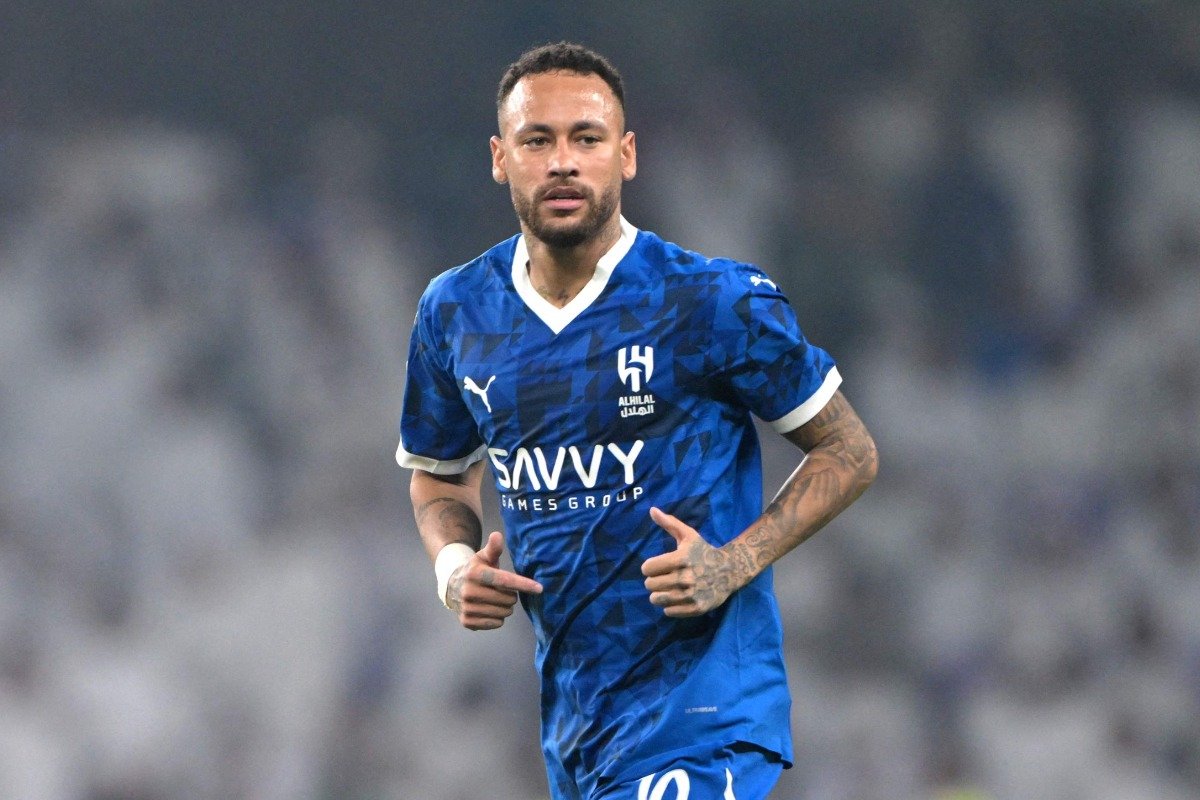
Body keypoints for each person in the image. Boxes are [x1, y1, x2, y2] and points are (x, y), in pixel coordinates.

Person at [397, 41, 879, 800]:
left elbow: (848, 451)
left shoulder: (710, 301)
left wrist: (734, 563)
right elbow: (439, 477)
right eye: (537, 140)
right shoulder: (456, 312)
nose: (563, 162)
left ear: (625, 156)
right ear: (500, 158)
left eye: (586, 139)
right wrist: (454, 568)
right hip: (578, 726)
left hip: (704, 712)